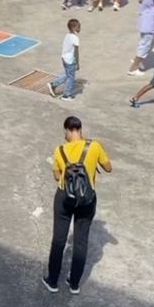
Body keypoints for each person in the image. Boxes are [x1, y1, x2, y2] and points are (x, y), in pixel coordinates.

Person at [43, 116, 112, 295]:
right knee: (81, 242)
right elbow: (108, 167)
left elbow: (57, 177)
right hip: (87, 200)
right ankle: (74, 284)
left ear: (67, 130)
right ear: (80, 129)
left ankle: (52, 281)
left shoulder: (59, 150)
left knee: (59, 240)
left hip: (64, 198)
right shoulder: (94, 146)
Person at [47, 19, 80, 101]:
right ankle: (66, 95)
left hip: (64, 58)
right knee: (71, 77)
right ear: (73, 27)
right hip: (70, 60)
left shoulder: (67, 35)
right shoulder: (75, 38)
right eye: (78, 26)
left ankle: (53, 84)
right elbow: (76, 51)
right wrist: (77, 63)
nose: (80, 28)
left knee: (68, 74)